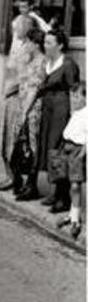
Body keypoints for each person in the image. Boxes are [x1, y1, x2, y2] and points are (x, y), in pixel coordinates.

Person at [0, 19, 45, 196]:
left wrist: (24, 111)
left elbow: (33, 89)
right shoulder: (29, 58)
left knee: (29, 146)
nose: (25, 44)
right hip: (20, 102)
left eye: (28, 42)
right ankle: (15, 178)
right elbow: (18, 77)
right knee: (13, 143)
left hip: (31, 108)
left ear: (36, 44)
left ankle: (30, 185)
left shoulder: (40, 62)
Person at [34, 29, 80, 213]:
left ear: (60, 45)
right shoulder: (48, 62)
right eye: (45, 42)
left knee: (58, 150)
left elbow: (75, 93)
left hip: (61, 111)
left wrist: (75, 119)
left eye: (50, 43)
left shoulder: (68, 64)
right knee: (48, 148)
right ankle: (55, 192)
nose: (46, 46)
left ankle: (64, 197)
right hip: (48, 110)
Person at [56, 87, 86, 240]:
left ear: (85, 98)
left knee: (75, 185)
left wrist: (83, 152)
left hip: (77, 149)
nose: (74, 100)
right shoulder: (75, 113)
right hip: (66, 147)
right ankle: (72, 214)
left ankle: (76, 220)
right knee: (68, 183)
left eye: (77, 97)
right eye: (72, 96)